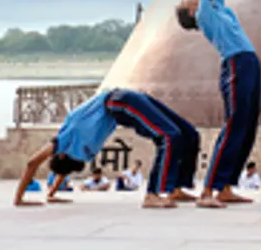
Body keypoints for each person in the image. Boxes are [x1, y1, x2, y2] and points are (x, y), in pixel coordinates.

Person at [177, 0, 261, 209]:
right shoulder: (204, 14)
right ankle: (208, 191)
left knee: (248, 126)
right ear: (191, 10)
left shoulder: (218, 7)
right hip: (236, 64)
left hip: (249, 61)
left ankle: (226, 186)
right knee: (235, 123)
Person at [13, 88, 199, 209]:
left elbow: (32, 163)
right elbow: (63, 169)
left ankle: (176, 189)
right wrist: (51, 194)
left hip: (120, 100)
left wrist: (20, 199)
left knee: (189, 134)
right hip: (121, 103)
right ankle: (153, 194)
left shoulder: (63, 142)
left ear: (61, 155)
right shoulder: (76, 155)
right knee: (170, 135)